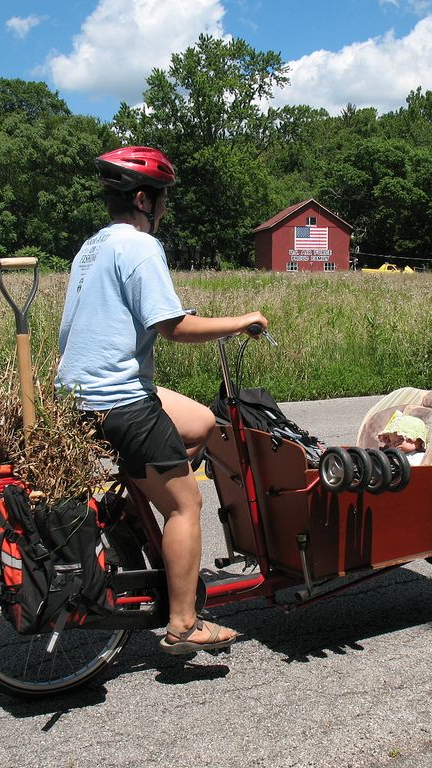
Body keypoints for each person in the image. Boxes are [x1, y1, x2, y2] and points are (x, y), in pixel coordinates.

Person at [57, 146, 267, 655]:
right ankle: (183, 624)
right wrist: (243, 320)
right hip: (119, 399)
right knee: (186, 503)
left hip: (79, 393)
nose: (166, 209)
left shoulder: (91, 247)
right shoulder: (141, 247)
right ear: (145, 199)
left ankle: (138, 508)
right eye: (164, 199)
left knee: (200, 424)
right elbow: (173, 328)